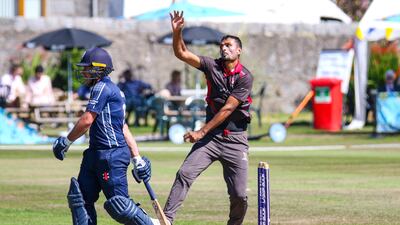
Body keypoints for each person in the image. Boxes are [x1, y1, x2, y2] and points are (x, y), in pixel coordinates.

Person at [163, 11, 253, 225]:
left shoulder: (245, 77)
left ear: (239, 50)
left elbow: (227, 110)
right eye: (222, 45)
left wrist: (200, 131)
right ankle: (165, 219)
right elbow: (182, 53)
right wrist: (177, 32)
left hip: (235, 141)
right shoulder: (211, 66)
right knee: (185, 173)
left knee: (239, 195)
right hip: (211, 139)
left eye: (229, 45)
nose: (224, 48)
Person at [52, 47, 157, 225]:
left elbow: (87, 120)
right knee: (80, 200)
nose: (83, 72)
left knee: (120, 206)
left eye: (86, 68)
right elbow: (123, 127)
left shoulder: (102, 87)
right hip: (95, 153)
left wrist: (66, 141)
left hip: (111, 155)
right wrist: (136, 157)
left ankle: (151, 223)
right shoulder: (109, 89)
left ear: (98, 69)